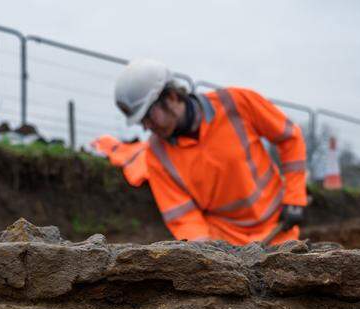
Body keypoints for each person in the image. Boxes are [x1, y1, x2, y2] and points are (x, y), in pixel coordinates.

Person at [114, 59, 308, 245]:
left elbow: (290, 137)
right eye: (142, 122)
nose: (147, 127)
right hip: (228, 243)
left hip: (279, 228)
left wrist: (294, 197)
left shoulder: (236, 103)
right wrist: (206, 255)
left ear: (171, 97)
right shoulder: (157, 155)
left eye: (148, 115)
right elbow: (183, 217)